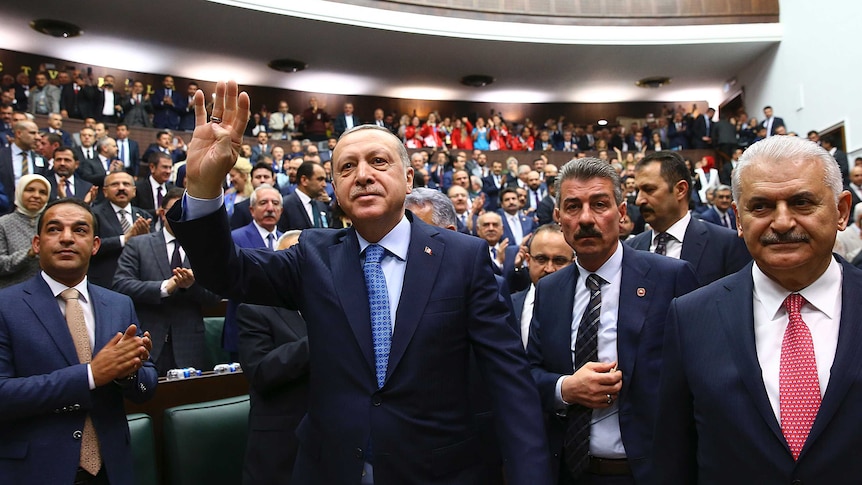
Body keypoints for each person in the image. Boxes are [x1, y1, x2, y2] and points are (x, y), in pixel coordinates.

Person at [167, 81, 551, 484]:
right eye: (347, 167)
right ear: (334, 189)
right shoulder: (313, 254)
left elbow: (509, 380)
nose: (363, 175)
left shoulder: (464, 257)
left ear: (408, 175)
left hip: (438, 470)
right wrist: (205, 188)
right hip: (330, 469)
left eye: (378, 162)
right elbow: (224, 271)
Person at [651, 135, 862, 483]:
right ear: (738, 218)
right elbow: (674, 458)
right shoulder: (690, 317)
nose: (781, 223)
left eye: (802, 203)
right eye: (760, 207)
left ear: (841, 211)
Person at [527, 158, 698, 485]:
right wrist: (567, 388)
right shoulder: (549, 290)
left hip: (648, 474)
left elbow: (698, 378)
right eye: (573, 207)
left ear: (621, 214)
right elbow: (530, 373)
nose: (586, 218)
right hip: (568, 472)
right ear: (559, 218)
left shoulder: (671, 277)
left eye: (600, 205)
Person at [0, 197, 157, 484]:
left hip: (111, 468)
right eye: (54, 229)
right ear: (36, 244)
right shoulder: (5, 306)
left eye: (80, 230)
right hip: (35, 469)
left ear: (95, 245)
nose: (67, 238)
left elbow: (146, 386)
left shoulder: (120, 304)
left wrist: (128, 373)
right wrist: (90, 375)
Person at [113, 188, 220, 375]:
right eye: (178, 208)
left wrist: (191, 286)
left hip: (189, 342)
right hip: (148, 339)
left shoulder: (204, 248)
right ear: (162, 213)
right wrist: (164, 288)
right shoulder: (139, 244)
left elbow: (216, 296)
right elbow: (121, 285)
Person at [236, 230, 309, 485]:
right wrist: (321, 338)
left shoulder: (334, 302)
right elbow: (261, 372)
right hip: (281, 447)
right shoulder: (255, 308)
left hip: (335, 441)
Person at [626, 150, 751, 286]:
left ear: (680, 190)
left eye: (649, 189)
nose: (639, 201)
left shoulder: (726, 245)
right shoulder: (631, 249)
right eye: (638, 191)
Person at [224, 185, 283, 361]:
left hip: (282, 332)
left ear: (281, 209)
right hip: (246, 329)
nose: (270, 208)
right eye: (263, 203)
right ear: (251, 210)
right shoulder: (235, 239)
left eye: (275, 203)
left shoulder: (288, 239)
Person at [511, 223, 573, 348]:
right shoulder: (510, 305)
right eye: (541, 259)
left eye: (559, 260)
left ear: (573, 263)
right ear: (528, 260)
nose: (549, 269)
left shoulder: (585, 307)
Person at [89, 171, 151, 289]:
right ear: (105, 192)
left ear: (134, 191)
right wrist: (124, 239)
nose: (121, 188)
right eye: (115, 184)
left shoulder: (144, 215)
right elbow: (89, 246)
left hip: (139, 281)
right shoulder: (93, 215)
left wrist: (146, 240)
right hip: (105, 281)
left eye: (126, 184)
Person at [0, 174, 50, 288]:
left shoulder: (51, 223)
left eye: (43, 192)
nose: (36, 196)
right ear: (19, 192)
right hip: (12, 293)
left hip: (47, 292)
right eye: (30, 190)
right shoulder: (3, 223)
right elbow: (1, 265)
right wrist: (29, 254)